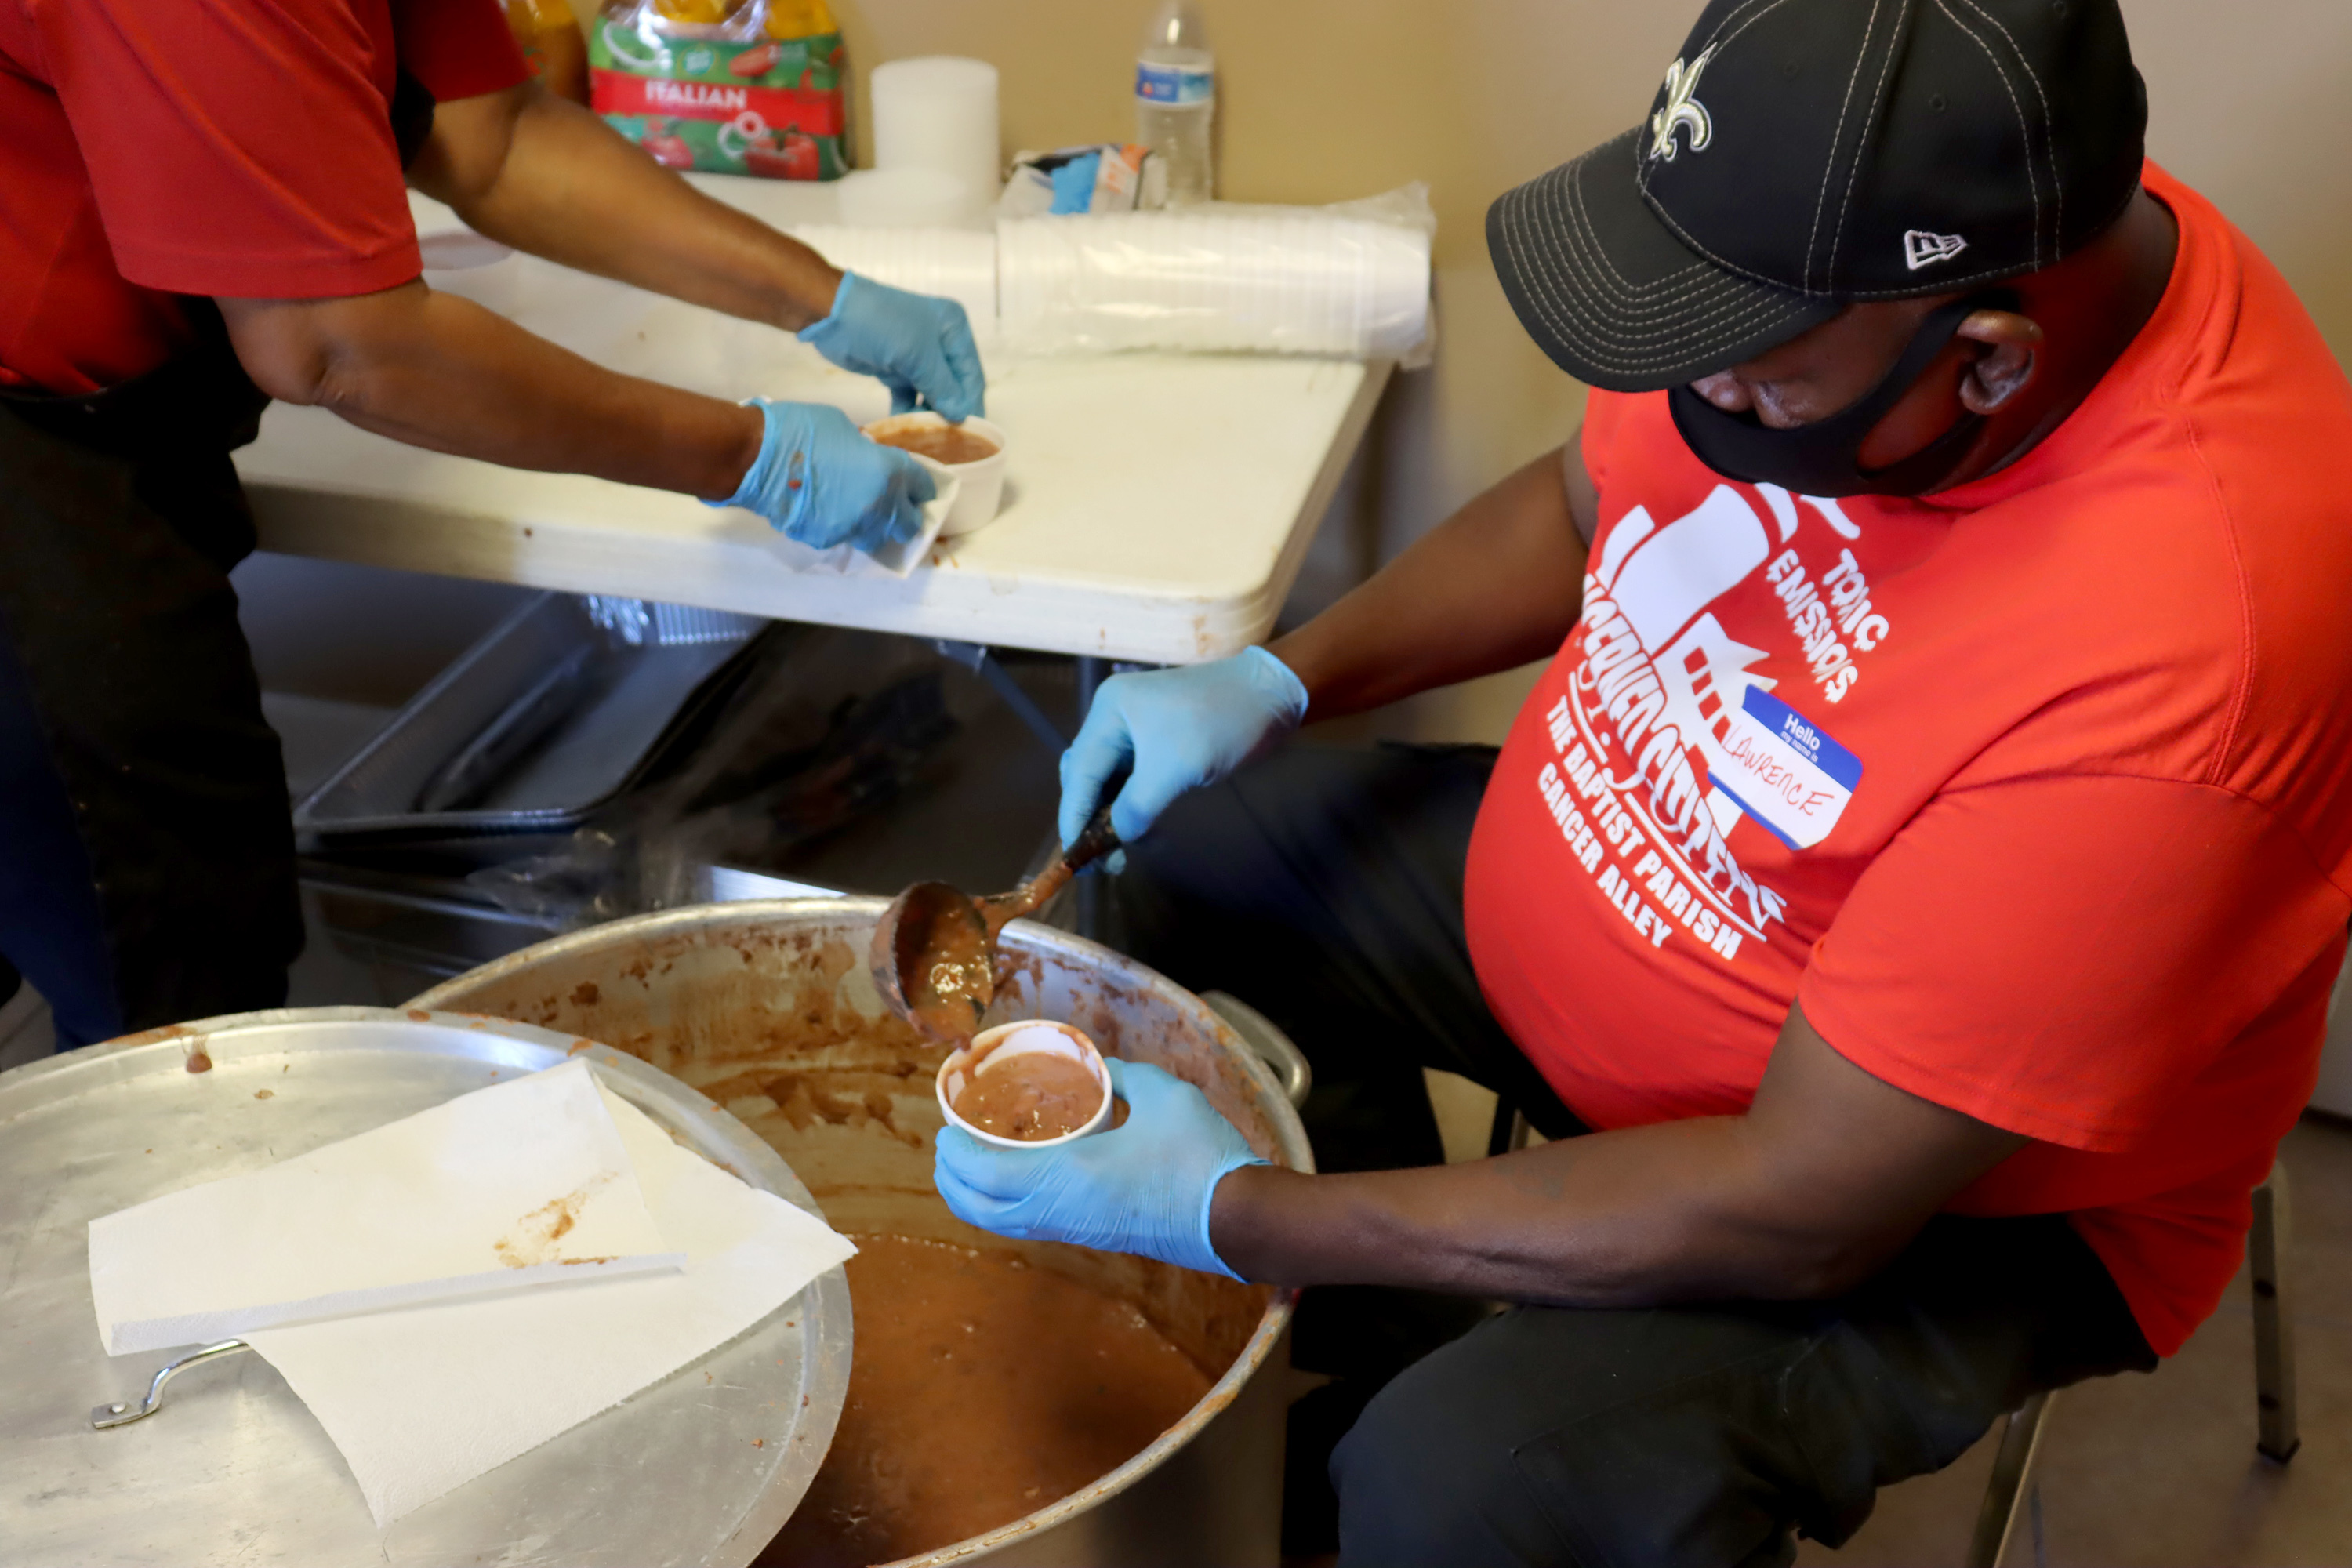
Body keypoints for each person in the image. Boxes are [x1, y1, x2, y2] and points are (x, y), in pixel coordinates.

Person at [932, 0, 2352, 1561]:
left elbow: (1802, 1204)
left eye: (1746, 385)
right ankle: (1396, 1310)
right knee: (1199, 854)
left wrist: (1239, 1216)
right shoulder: (1860, 259)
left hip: (1938, 1203)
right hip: (1646, 897)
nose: (1701, 402)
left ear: (1991, 364)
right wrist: (1283, 676)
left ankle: (1402, 1346)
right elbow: (1578, 504)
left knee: (1475, 1480)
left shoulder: (2190, 658)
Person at [0, 0, 984, 1048]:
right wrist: (751, 455)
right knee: (171, 988)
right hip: (31, 439)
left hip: (110, 414)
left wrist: (823, 296)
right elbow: (340, 346)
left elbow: (493, 135)